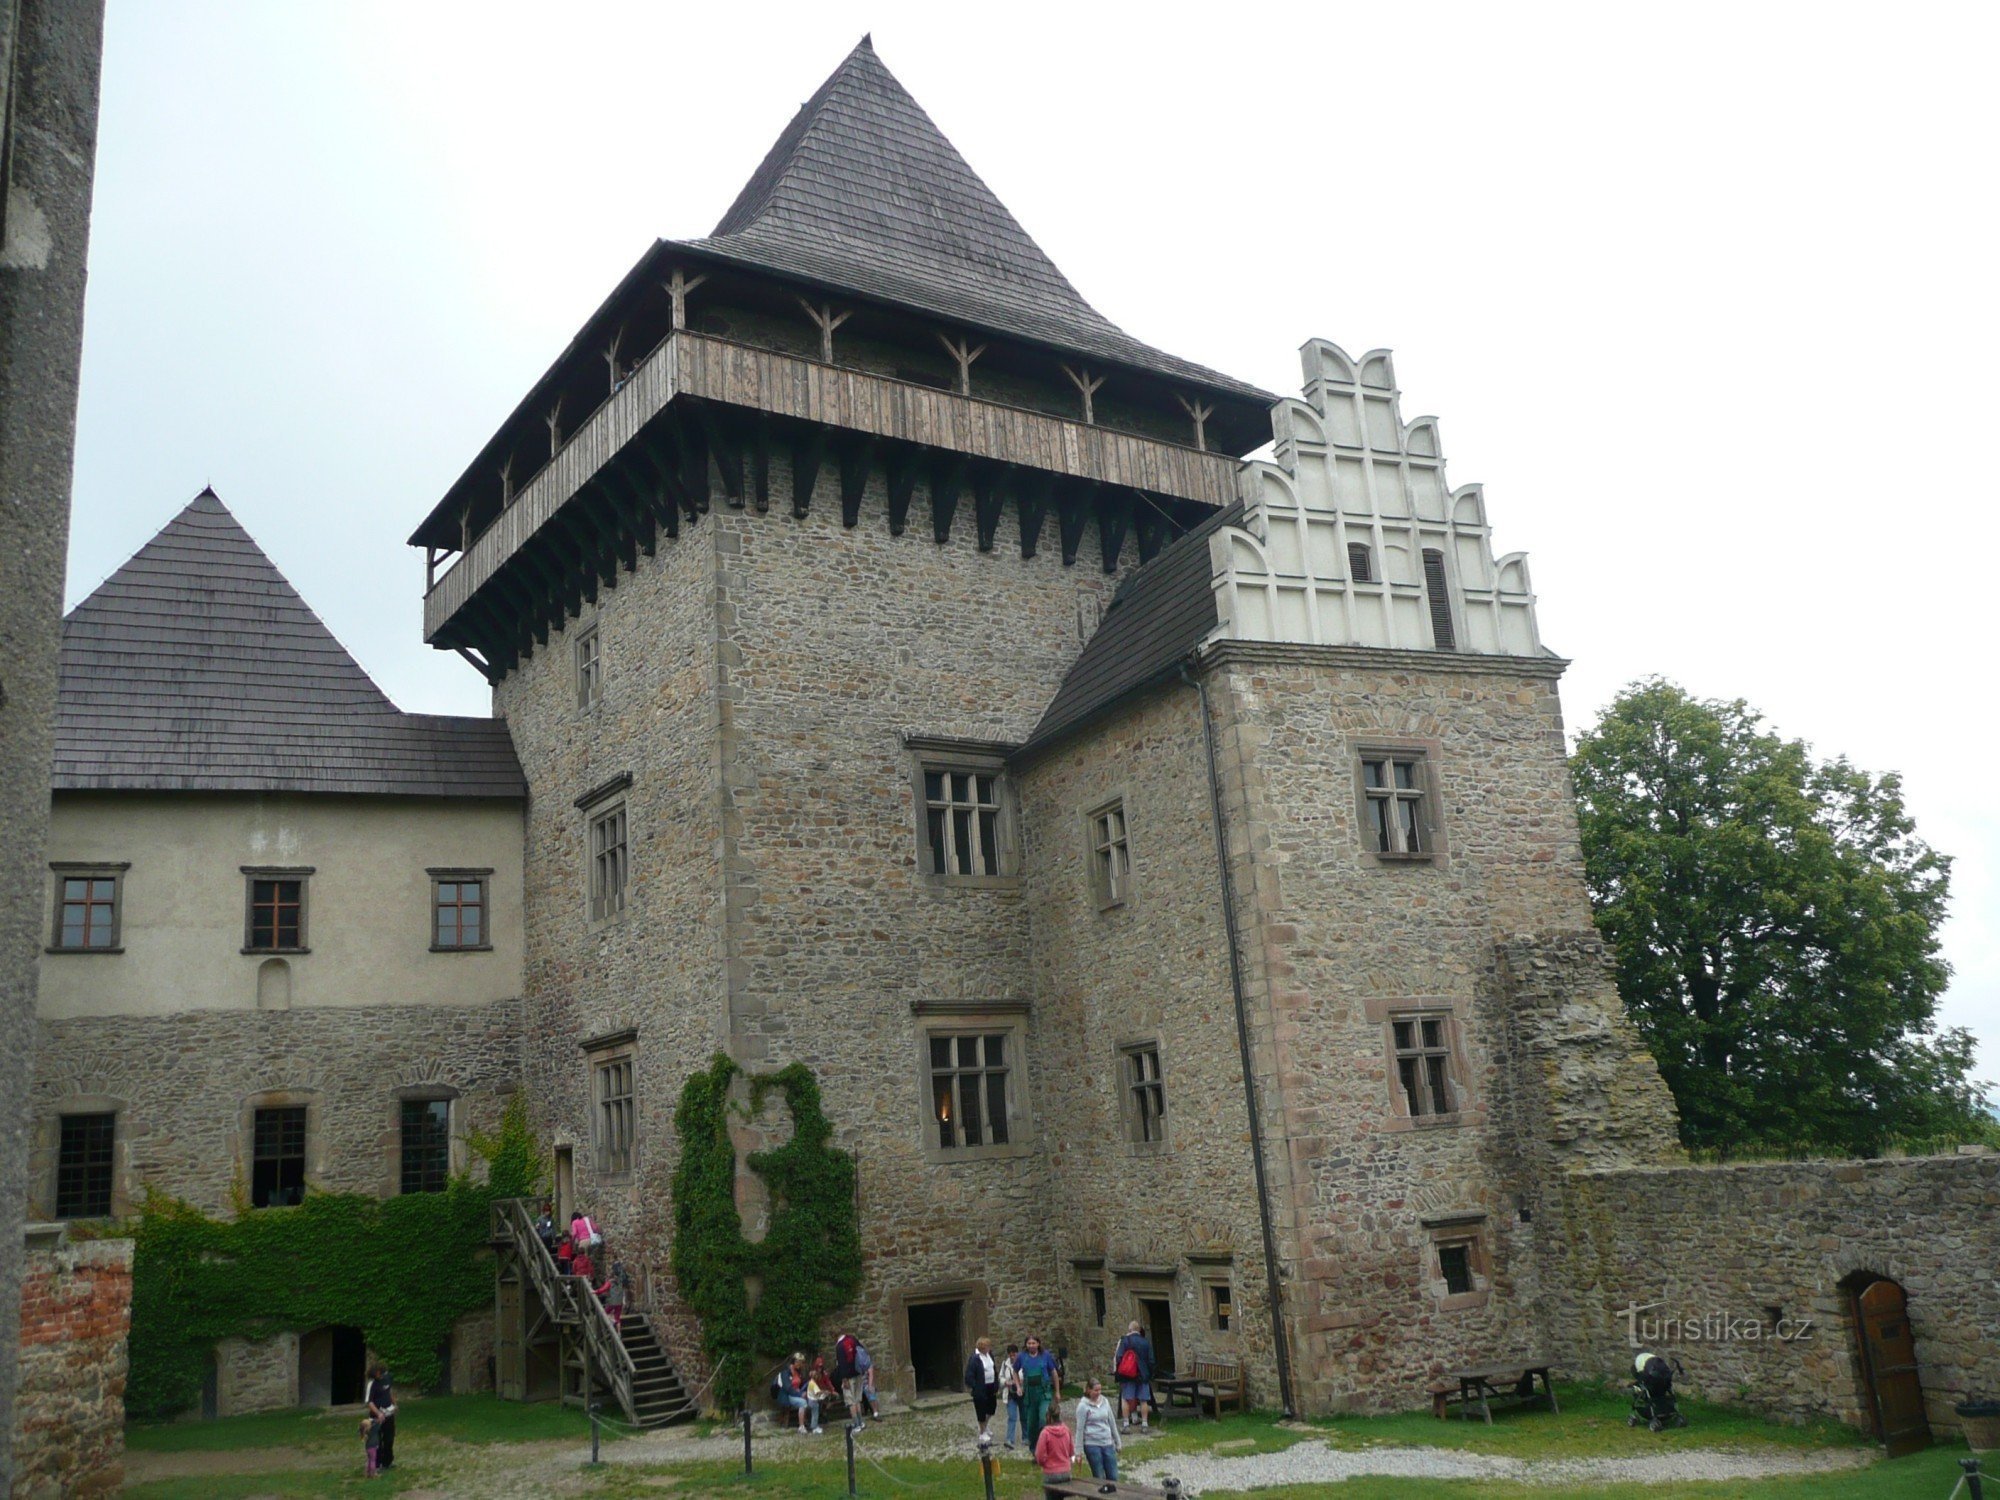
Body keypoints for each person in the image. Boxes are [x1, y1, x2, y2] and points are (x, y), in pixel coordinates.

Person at [1015, 1334, 1059, 1451]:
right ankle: (1035, 1451)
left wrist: (1057, 1391)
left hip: (1044, 1393)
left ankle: (1046, 1445)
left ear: (1038, 1344)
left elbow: (1054, 1373)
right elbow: (1014, 1371)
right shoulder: (1022, 1357)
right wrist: (1018, 1386)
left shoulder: (1045, 1356)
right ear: (1026, 1345)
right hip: (1030, 1395)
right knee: (1031, 1424)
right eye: (1029, 1343)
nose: (1031, 1346)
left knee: (1043, 1418)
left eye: (1033, 1343)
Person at [1074, 1377, 1121, 1480]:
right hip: (1092, 1444)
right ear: (1089, 1390)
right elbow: (1079, 1429)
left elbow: (1112, 1422)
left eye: (1100, 1390)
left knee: (1113, 1476)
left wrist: (1118, 1441)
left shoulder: (1105, 1401)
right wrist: (1078, 1452)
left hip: (1107, 1442)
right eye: (1096, 1390)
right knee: (1099, 1476)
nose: (1098, 1392)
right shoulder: (1083, 1406)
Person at [1114, 1320, 1155, 1431]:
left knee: (1126, 1399)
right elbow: (1151, 1360)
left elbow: (1119, 1357)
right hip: (1143, 1375)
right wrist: (1150, 1373)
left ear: (1130, 1330)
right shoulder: (1146, 1342)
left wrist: (1119, 1371)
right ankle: (1145, 1424)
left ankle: (1126, 1424)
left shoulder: (1125, 1341)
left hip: (1128, 1375)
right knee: (1143, 1400)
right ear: (1139, 1330)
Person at [1032, 1397, 1075, 1498]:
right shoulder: (1066, 1430)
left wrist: (1044, 1464)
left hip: (1051, 1473)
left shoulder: (1045, 1433)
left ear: (1048, 1416)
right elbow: (1071, 1452)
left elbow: (1039, 1456)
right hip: (1065, 1472)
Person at [963, 1335, 1000, 1440]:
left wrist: (996, 1383)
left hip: (991, 1386)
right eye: (987, 1346)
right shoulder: (975, 1358)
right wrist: (976, 1386)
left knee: (991, 1409)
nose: (989, 1348)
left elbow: (994, 1369)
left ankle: (985, 1425)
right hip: (981, 1389)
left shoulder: (990, 1355)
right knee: (981, 1410)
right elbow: (969, 1375)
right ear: (981, 1347)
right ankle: (982, 1431)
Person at [774, 1353, 821, 1433]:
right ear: (794, 1362)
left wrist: (811, 1378)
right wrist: (800, 1394)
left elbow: (801, 1383)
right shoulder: (785, 1372)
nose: (801, 1364)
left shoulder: (797, 1372)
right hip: (788, 1395)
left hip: (798, 1393)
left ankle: (814, 1426)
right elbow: (788, 1388)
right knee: (802, 1403)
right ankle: (801, 1426)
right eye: (799, 1362)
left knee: (814, 1402)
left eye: (802, 1362)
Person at [364, 1364, 396, 1471]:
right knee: (377, 1441)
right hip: (376, 1417)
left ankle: (388, 1462)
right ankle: (377, 1464)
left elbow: (389, 1391)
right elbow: (370, 1402)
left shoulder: (387, 1378)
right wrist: (378, 1413)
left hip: (388, 1413)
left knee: (389, 1439)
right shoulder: (371, 1384)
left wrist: (394, 1404)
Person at [834, 1331, 862, 1426]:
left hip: (848, 1377)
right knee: (857, 1400)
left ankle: (856, 1424)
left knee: (851, 1401)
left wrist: (844, 1379)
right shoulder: (853, 1340)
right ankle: (861, 1422)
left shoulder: (839, 1346)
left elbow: (841, 1364)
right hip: (858, 1373)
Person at [998, 1342, 1023, 1449]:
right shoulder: (1005, 1364)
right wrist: (1006, 1382)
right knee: (1012, 1417)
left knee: (1024, 1416)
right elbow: (1000, 1378)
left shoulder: (1023, 1363)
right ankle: (1010, 1439)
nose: (1012, 1356)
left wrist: (1021, 1381)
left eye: (1014, 1354)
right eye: (1010, 1355)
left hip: (1022, 1393)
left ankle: (1026, 1437)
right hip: (1010, 1394)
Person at [855, 1340, 882, 1421]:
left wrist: (870, 1385)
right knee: (859, 1396)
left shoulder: (865, 1357)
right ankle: (860, 1415)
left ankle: (875, 1412)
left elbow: (870, 1371)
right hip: (857, 1376)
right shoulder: (855, 1356)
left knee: (870, 1392)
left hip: (863, 1377)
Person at [596, 1261, 627, 1329]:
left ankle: (612, 1322)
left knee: (604, 1313)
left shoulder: (609, 1282)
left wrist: (595, 1292)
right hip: (619, 1301)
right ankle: (619, 1333)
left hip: (612, 1302)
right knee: (617, 1318)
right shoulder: (619, 1281)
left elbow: (603, 1289)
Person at [359, 1413, 380, 1478]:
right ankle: (373, 1473)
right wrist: (374, 1420)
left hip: (368, 1447)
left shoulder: (364, 1432)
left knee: (369, 1459)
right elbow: (378, 1424)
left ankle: (366, 1472)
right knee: (373, 1460)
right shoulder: (372, 1430)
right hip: (373, 1447)